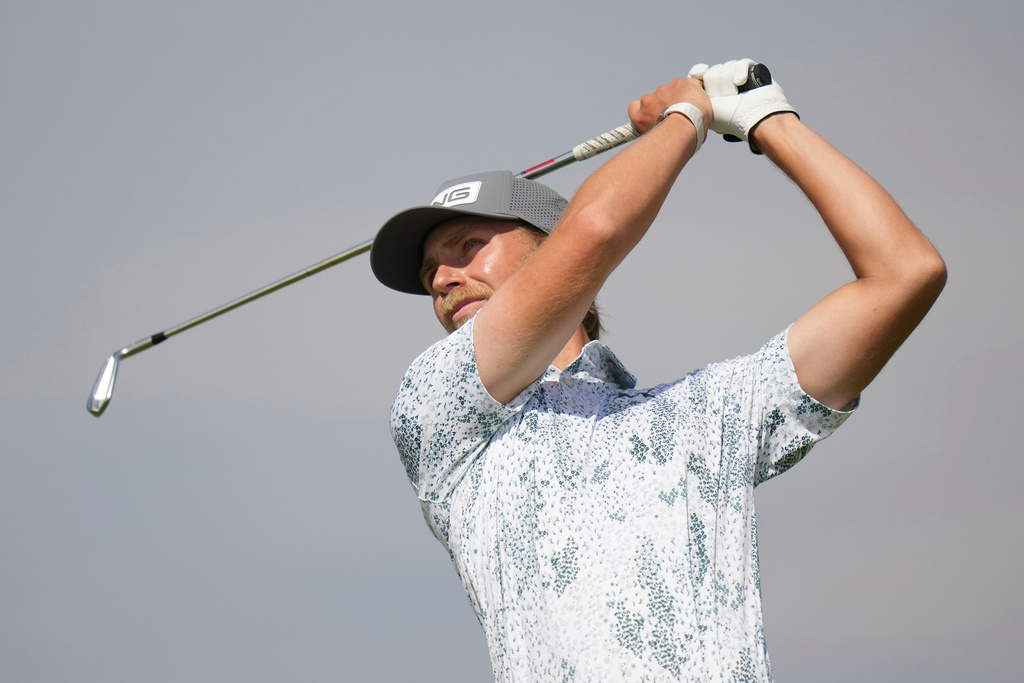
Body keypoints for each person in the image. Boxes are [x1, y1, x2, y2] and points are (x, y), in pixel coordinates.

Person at [369, 60, 946, 682]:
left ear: (546, 244)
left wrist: (765, 119)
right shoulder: (436, 406)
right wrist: (684, 118)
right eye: (432, 273)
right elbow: (595, 230)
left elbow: (906, 273)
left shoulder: (703, 416)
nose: (445, 280)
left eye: (467, 247)